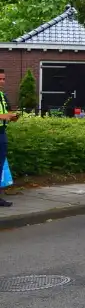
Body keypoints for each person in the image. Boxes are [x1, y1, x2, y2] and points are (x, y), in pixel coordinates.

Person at [0, 69, 21, 207]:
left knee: (0, 166)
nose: (2, 82)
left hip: (1, 133)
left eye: (3, 79)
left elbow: (7, 112)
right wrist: (5, 116)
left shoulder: (2, 95)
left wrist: (13, 117)